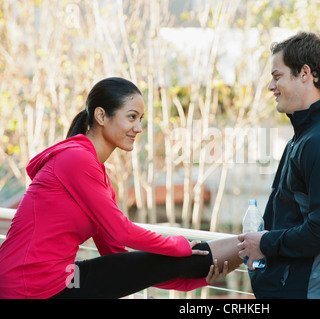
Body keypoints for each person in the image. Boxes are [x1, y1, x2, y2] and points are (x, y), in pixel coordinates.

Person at [0, 77, 242, 299]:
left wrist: (194, 280)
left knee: (153, 265)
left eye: (141, 119)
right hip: (27, 283)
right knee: (175, 259)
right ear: (101, 116)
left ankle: (234, 251)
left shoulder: (99, 178)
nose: (138, 128)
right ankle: (258, 245)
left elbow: (119, 256)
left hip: (59, 278)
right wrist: (179, 246)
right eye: (131, 117)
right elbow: (122, 231)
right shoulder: (75, 160)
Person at [237, 31, 320, 299]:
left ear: (305, 74)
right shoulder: (304, 138)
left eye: (277, 76)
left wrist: (266, 243)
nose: (271, 86)